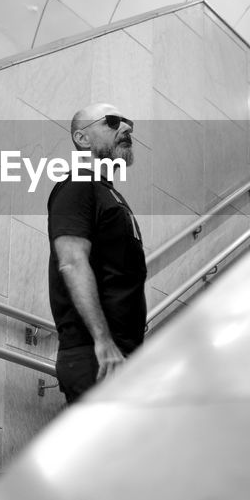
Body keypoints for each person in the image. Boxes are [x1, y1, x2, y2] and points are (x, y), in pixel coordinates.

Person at [47, 102, 147, 404]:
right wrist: (103, 342)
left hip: (120, 357)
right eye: (113, 122)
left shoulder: (108, 193)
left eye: (128, 122)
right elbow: (72, 261)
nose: (126, 128)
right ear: (82, 139)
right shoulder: (78, 184)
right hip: (98, 357)